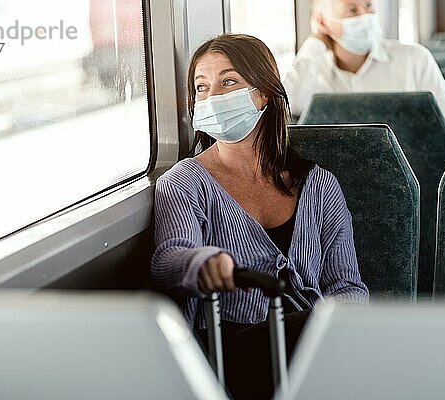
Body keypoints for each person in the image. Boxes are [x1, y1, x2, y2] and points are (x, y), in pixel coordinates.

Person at [151, 33, 368, 399]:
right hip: (230, 345)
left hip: (312, 339)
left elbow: (347, 286)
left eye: (228, 82)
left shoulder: (319, 185)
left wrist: (342, 329)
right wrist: (204, 263)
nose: (213, 97)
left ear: (263, 93)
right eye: (201, 88)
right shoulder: (184, 182)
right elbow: (169, 257)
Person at [283, 0, 445, 143]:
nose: (365, 16)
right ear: (322, 21)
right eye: (352, 10)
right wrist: (315, 43)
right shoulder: (311, 73)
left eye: (368, 5)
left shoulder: (416, 60)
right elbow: (286, 106)